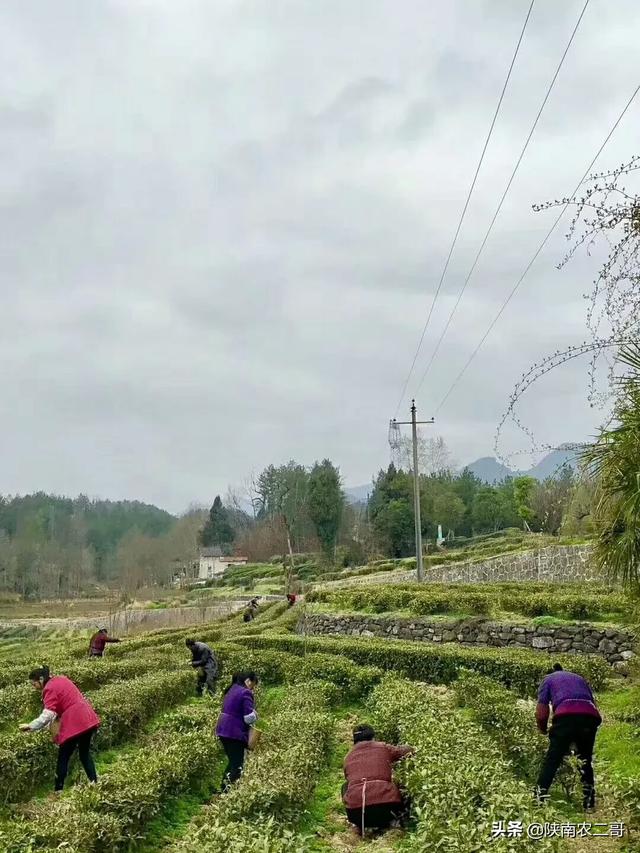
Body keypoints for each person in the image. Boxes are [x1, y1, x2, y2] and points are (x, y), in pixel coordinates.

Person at [19, 665, 100, 791]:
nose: (34, 688)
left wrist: (31, 726)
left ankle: (58, 790)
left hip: (74, 722)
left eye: (33, 684)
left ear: (41, 679)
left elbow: (48, 714)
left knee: (63, 757)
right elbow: (57, 710)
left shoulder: (49, 689)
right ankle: (95, 783)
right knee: (84, 754)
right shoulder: (61, 679)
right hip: (87, 717)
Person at [535, 663, 602, 810]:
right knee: (584, 759)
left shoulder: (547, 680)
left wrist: (543, 730)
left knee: (552, 759)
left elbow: (541, 712)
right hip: (590, 717)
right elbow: (592, 703)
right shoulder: (579, 678)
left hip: (566, 716)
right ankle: (589, 803)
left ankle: (538, 800)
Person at [342, 724, 413, 835]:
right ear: (373, 737)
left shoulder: (348, 757)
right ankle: (400, 821)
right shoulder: (383, 747)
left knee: (346, 787)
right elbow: (405, 751)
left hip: (358, 814)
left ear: (354, 740)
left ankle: (358, 826)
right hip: (387, 809)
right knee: (399, 784)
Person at [215, 671, 259, 791]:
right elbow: (248, 717)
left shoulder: (233, 689)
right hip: (234, 731)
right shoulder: (245, 692)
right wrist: (255, 715)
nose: (253, 688)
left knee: (233, 761)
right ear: (248, 681)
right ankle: (226, 791)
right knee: (237, 764)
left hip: (223, 729)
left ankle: (224, 788)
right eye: (253, 685)